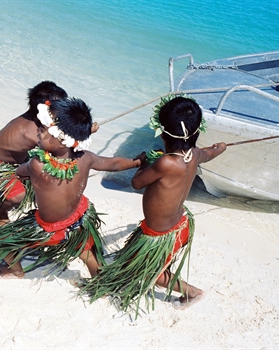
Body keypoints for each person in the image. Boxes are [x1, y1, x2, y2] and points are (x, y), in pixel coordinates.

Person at [80, 95, 226, 317]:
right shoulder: (195, 154)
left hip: (162, 233)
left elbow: (137, 182)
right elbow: (210, 153)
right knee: (135, 260)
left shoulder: (165, 163)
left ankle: (192, 292)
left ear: (164, 133)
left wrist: (146, 162)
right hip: (178, 223)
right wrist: (220, 148)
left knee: (155, 275)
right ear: (196, 132)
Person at [0, 97, 143, 278]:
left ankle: (16, 271)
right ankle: (98, 279)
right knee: (86, 252)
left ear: (62, 139)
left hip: (51, 229)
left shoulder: (37, 164)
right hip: (79, 220)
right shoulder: (86, 158)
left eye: (45, 128)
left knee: (3, 242)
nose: (39, 130)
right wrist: (138, 161)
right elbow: (113, 164)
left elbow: (19, 173)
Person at [0, 81, 99, 226]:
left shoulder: (37, 121)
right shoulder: (30, 132)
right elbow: (62, 145)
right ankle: (1, 213)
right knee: (18, 195)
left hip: (20, 161)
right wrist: (87, 131)